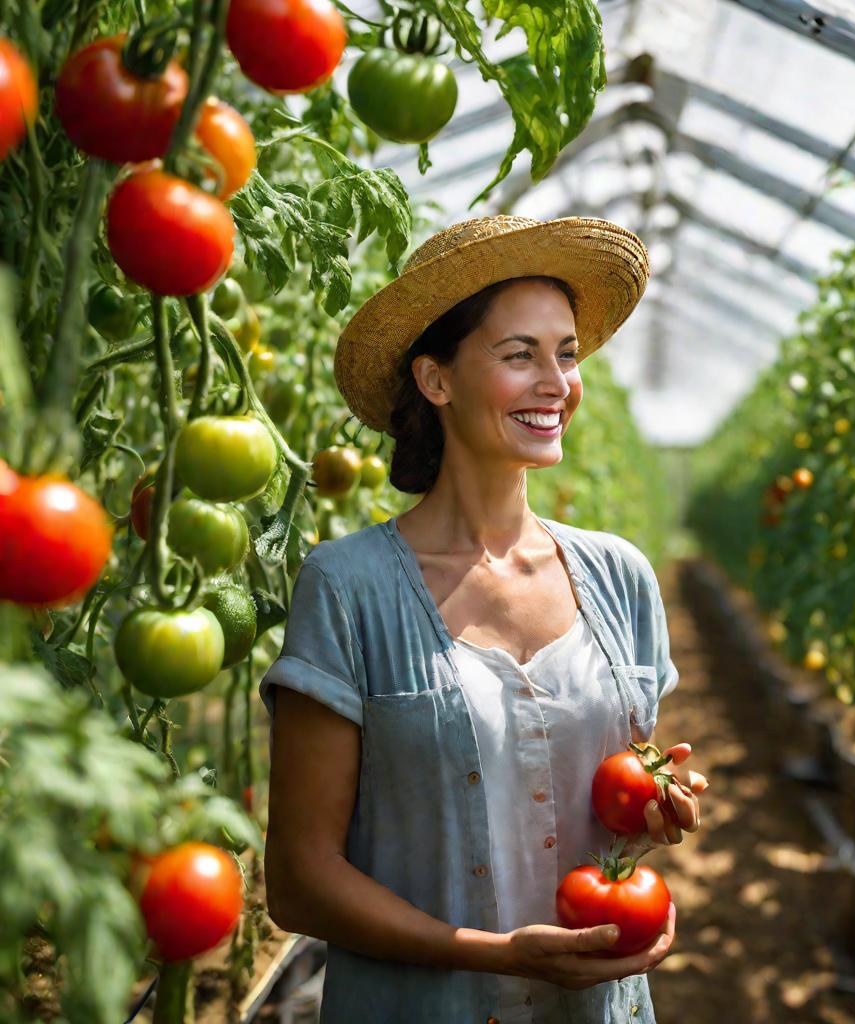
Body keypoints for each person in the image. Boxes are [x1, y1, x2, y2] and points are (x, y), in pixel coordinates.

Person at [259, 214, 709, 1023]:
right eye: (519, 355)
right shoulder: (348, 587)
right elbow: (297, 882)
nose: (557, 382)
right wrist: (491, 954)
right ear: (436, 380)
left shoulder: (620, 579)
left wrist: (651, 818)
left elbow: (595, 817)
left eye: (566, 354)